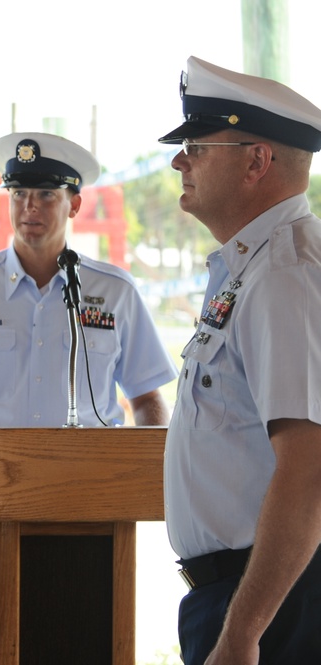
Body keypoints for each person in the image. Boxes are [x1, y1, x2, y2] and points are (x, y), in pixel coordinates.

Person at [0, 132, 178, 664]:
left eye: (47, 195)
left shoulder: (112, 291)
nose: (31, 208)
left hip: (88, 507)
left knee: (82, 641)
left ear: (74, 203)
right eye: (20, 194)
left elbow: (147, 396)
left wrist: (140, 471)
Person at [159, 56, 321, 664]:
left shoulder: (287, 275)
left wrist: (243, 632)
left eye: (196, 146)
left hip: (276, 602)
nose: (180, 161)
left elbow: (308, 472)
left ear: (257, 161)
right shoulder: (251, 268)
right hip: (249, 592)